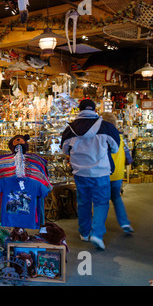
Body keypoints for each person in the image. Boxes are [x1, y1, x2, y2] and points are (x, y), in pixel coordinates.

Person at [61, 99, 120, 250]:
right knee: (101, 203)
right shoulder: (106, 127)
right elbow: (115, 148)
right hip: (101, 172)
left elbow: (65, 150)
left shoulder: (70, 129)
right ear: (94, 109)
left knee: (83, 202)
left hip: (80, 172)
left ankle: (84, 232)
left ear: (79, 110)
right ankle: (97, 234)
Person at [100, 112, 134, 234]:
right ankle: (125, 222)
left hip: (104, 173)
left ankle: (99, 228)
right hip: (118, 173)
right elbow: (128, 158)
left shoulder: (102, 137)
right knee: (116, 198)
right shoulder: (121, 138)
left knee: (102, 202)